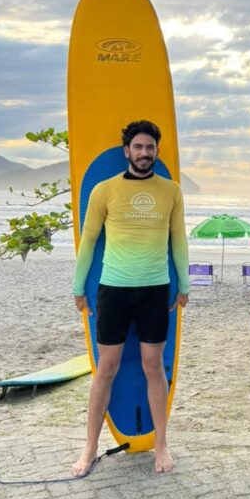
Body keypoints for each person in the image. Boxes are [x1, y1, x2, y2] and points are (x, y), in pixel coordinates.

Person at [70, 120, 189, 476]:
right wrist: (78, 288)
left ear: (155, 151)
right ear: (127, 151)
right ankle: (89, 448)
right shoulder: (104, 190)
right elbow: (88, 240)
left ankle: (161, 445)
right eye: (138, 147)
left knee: (154, 366)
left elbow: (178, 241)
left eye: (149, 147)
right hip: (114, 290)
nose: (144, 153)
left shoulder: (171, 191)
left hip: (155, 290)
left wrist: (184, 285)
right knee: (106, 368)